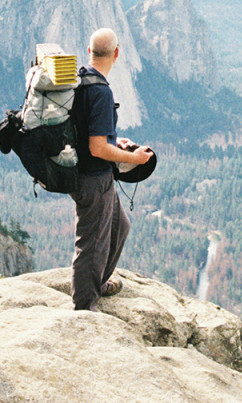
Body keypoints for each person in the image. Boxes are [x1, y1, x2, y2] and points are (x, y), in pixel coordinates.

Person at [70, 27, 153, 311]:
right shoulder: (101, 92)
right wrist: (134, 159)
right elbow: (96, 148)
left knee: (119, 226)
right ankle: (85, 306)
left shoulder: (80, 80)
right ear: (117, 53)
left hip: (87, 173)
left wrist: (115, 141)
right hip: (93, 178)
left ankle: (99, 282)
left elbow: (89, 133)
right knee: (92, 243)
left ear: (90, 50)